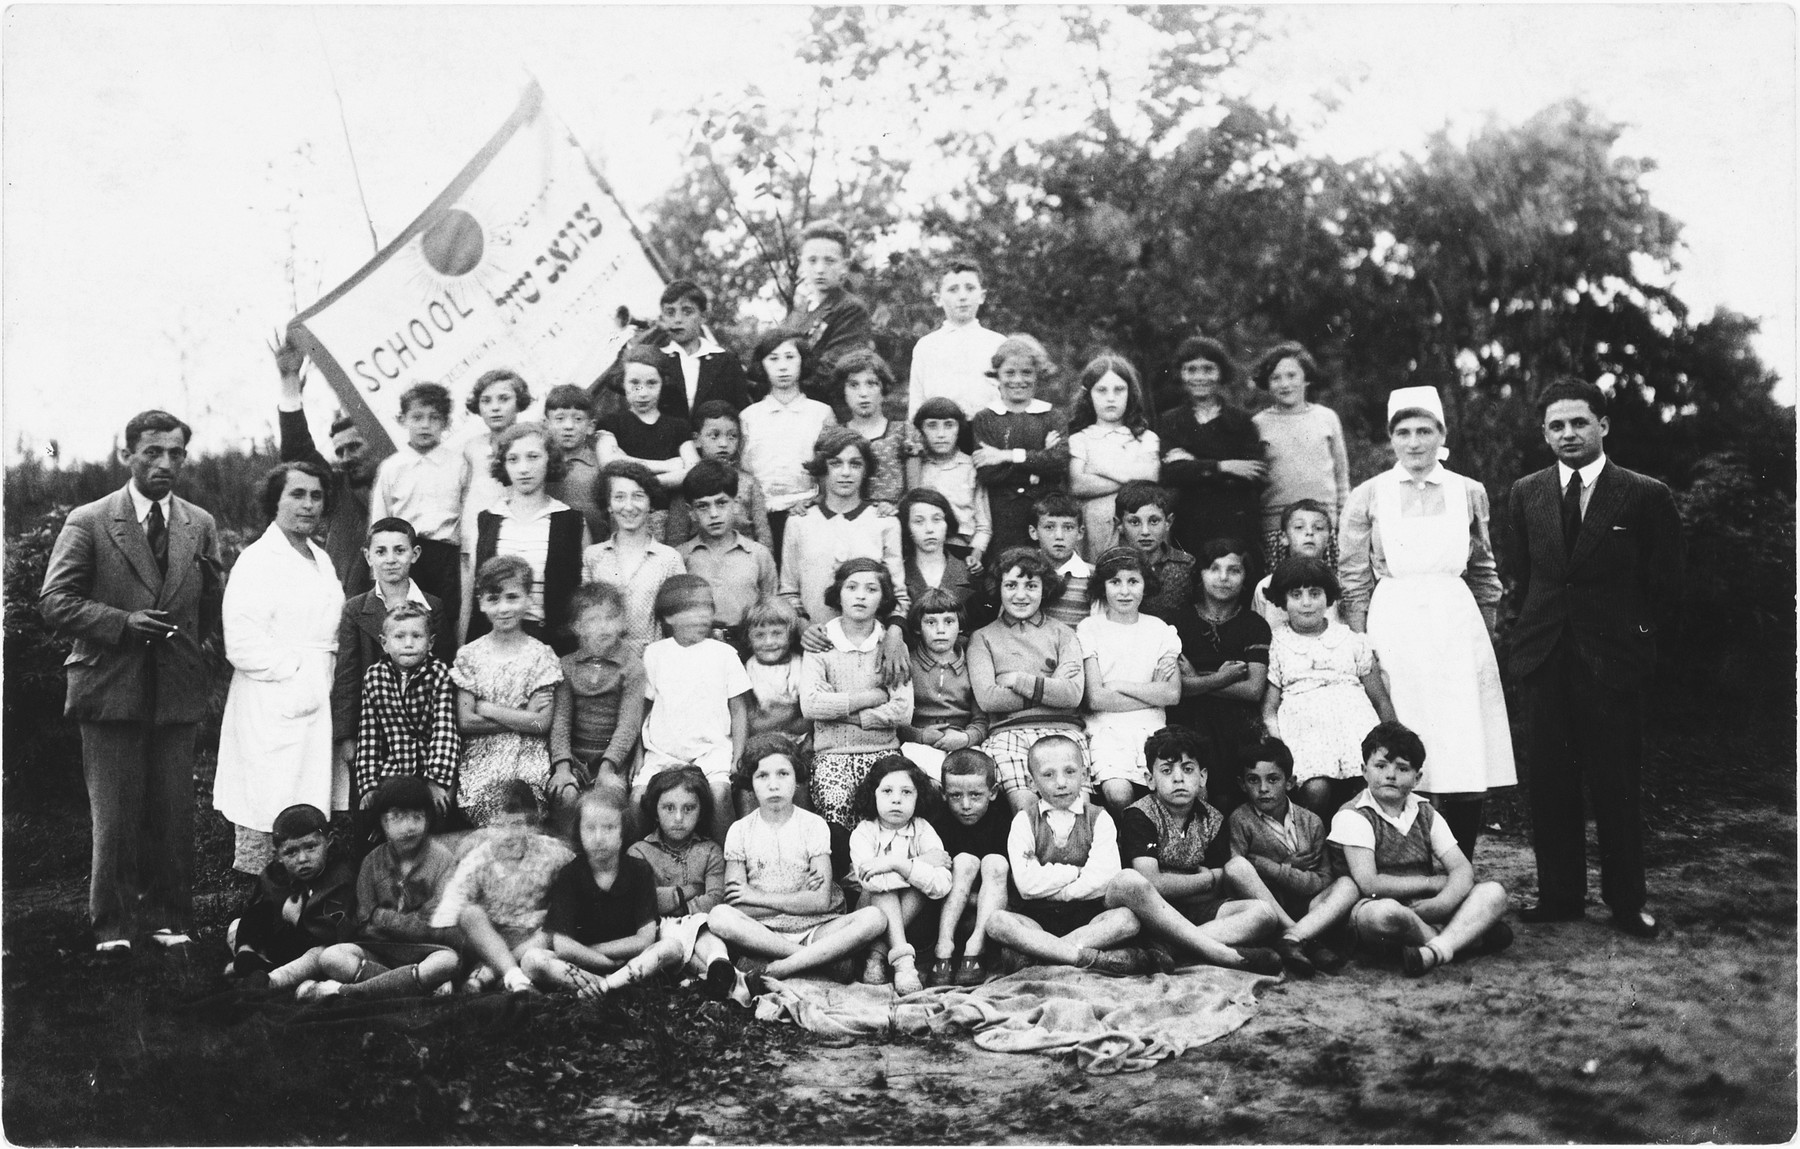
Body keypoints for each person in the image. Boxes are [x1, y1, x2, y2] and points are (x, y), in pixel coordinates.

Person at [1502, 378, 1684, 938]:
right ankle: (1560, 895)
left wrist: (1638, 637)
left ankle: (1627, 902)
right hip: (1546, 655)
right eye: (1556, 425)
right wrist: (1527, 636)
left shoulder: (1644, 493)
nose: (1568, 434)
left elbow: (1668, 583)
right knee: (1550, 781)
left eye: (1579, 422)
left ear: (1602, 425)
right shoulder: (1526, 492)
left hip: (1612, 660)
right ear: (1544, 434)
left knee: (1616, 781)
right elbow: (1522, 573)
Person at [39, 408, 223, 954]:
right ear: (127, 455)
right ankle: (113, 928)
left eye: (176, 454)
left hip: (176, 688)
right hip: (109, 684)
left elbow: (210, 605)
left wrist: (195, 655)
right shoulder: (91, 519)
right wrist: (121, 624)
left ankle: (171, 919)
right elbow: (55, 600)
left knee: (173, 811)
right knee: (115, 815)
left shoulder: (200, 523)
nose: (165, 464)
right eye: (152, 452)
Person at [1339, 387, 1514, 860]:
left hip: (1457, 628)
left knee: (1462, 749)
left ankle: (1459, 865)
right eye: (1403, 432)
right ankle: (1404, 862)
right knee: (1404, 738)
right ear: (1390, 438)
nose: (1414, 443)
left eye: (1424, 431)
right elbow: (1353, 578)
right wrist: (1361, 644)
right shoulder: (1368, 494)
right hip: (1394, 625)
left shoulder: (1468, 490)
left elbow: (1483, 571)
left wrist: (1486, 636)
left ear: (1442, 435)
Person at [214, 460, 347, 876]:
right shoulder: (258, 560)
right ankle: (264, 901)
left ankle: (311, 903)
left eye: (316, 496)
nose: (308, 505)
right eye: (297, 494)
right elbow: (241, 640)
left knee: (312, 794)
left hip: (318, 689)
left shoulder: (320, 558)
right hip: (275, 695)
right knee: (272, 796)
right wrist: (296, 671)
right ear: (275, 501)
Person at [1326, 722, 1514, 975]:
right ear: (1364, 771)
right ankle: (1462, 938)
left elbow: (1460, 867)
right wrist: (1429, 883)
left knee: (1494, 893)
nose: (1390, 775)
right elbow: (1369, 883)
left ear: (1418, 777)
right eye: (1380, 766)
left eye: (1402, 768)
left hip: (1426, 906)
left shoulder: (1424, 811)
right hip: (1373, 905)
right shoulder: (1354, 814)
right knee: (1387, 915)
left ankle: (1433, 950)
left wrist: (1443, 902)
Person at [706, 735, 889, 982]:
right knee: (719, 916)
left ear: (797, 779)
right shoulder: (740, 831)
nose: (774, 784)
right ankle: (813, 959)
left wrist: (757, 895)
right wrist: (796, 899)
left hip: (817, 927)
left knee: (874, 918)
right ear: (750, 782)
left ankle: (782, 967)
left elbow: (820, 902)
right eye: (763, 776)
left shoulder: (813, 825)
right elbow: (738, 904)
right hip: (764, 932)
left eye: (783, 774)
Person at [1103, 726, 1285, 973]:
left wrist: (1194, 882)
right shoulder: (1140, 815)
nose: (1178, 778)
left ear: (1203, 777)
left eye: (1188, 769)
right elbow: (1151, 883)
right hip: (1150, 912)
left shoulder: (1213, 819)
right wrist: (1205, 879)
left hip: (1195, 912)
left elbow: (1219, 885)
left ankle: (1170, 948)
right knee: (1134, 883)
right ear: (1150, 780)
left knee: (1263, 914)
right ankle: (1221, 952)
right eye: (1166, 771)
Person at [279, 777, 463, 1002]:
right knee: (332, 957)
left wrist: (383, 918)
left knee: (448, 961)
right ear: (382, 823)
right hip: (380, 951)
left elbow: (436, 922)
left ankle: (340, 992)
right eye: (397, 818)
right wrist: (390, 922)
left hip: (426, 950)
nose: (408, 826)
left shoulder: (442, 859)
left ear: (428, 819)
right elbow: (364, 921)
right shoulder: (372, 862)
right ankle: (416, 986)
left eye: (417, 816)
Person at [982, 735, 1154, 975]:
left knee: (1127, 919)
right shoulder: (1024, 821)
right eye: (1048, 775)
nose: (1061, 782)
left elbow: (1104, 879)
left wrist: (1058, 888)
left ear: (1084, 776)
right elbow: (1026, 885)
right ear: (1032, 782)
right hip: (1038, 920)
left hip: (1088, 917)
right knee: (997, 922)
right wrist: (1077, 872)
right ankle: (1086, 958)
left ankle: (1043, 955)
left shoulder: (1099, 818)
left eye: (1070, 772)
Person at [1261, 555, 1397, 826]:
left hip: (1354, 729)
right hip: (1305, 734)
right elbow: (1269, 708)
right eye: (1296, 595)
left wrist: (1394, 742)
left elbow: (1380, 699)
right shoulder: (1277, 644)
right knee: (1316, 790)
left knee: (1363, 789)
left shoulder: (1351, 640)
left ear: (1329, 597)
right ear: (1282, 601)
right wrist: (1278, 748)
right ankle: (1317, 854)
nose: (1307, 602)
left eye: (1315, 593)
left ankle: (1354, 853)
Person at [331, 518, 456, 795]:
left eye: (399, 550)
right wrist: (347, 736)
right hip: (374, 734)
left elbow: (446, 667)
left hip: (425, 734)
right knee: (373, 809)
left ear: (415, 554)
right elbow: (347, 676)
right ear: (367, 556)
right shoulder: (356, 609)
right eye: (381, 551)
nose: (390, 560)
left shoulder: (432, 606)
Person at [520, 782, 673, 996]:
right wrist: (605, 963)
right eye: (590, 828)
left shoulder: (639, 870)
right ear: (579, 832)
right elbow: (563, 945)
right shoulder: (569, 875)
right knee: (533, 960)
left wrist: (599, 950)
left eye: (609, 828)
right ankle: (610, 986)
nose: (599, 838)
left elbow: (645, 939)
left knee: (670, 947)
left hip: (631, 959)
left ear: (623, 832)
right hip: (582, 963)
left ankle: (603, 989)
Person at [967, 547, 1087, 812]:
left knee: (1076, 806)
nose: (1020, 595)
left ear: (1045, 589)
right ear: (998, 589)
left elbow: (1072, 696)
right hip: (1009, 734)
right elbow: (988, 699)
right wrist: (1050, 684)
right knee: (1025, 807)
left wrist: (1017, 679)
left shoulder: (1064, 634)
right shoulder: (982, 638)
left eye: (1031, 585)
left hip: (1063, 729)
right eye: (1011, 585)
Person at [801, 559, 915, 829]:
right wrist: (874, 697)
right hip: (832, 752)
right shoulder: (821, 641)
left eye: (871, 589)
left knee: (886, 810)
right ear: (838, 593)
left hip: (883, 751)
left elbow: (903, 710)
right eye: (851, 587)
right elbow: (811, 705)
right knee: (836, 806)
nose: (861, 595)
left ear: (884, 598)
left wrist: (842, 713)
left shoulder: (891, 644)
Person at [431, 781, 575, 994]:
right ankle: (514, 977)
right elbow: (447, 914)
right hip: (491, 936)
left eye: (517, 824)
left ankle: (493, 974)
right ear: (486, 828)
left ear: (532, 825)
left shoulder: (551, 852)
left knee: (551, 929)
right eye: (498, 825)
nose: (507, 835)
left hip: (533, 936)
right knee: (470, 914)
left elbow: (578, 877)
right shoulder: (478, 859)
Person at [639, 575, 752, 843]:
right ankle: (643, 864)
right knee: (638, 799)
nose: (702, 617)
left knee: (719, 794)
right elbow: (644, 710)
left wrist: (738, 755)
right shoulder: (655, 654)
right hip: (663, 753)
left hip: (711, 751)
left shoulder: (724, 654)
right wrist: (637, 757)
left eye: (707, 608)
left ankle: (729, 862)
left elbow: (739, 710)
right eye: (692, 610)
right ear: (668, 617)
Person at [452, 555, 563, 825]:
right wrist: (522, 715)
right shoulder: (469, 655)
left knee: (522, 819)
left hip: (528, 763)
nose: (503, 608)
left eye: (512, 597)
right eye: (493, 599)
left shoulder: (542, 655)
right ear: (481, 603)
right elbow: (466, 721)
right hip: (481, 764)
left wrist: (488, 708)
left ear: (528, 599)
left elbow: (541, 723)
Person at [1224, 738, 1348, 976]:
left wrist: (1275, 869)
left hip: (1310, 909)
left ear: (1290, 782)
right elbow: (1237, 878)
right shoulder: (1240, 820)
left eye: (1273, 779)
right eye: (1253, 780)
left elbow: (1323, 881)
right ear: (1242, 784)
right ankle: (1302, 939)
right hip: (1269, 907)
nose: (1263, 789)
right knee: (1237, 867)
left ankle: (1297, 935)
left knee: (1347, 884)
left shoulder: (1311, 821)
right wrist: (1290, 868)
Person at [466, 421, 591, 654]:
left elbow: (582, 595)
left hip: (553, 646)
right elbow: (474, 592)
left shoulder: (570, 521)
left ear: (549, 460)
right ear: (503, 465)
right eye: (513, 459)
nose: (523, 469)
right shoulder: (488, 521)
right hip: (495, 644)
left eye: (533, 457)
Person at [1078, 547, 1183, 819]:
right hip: (1106, 729)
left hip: (1153, 728)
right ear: (1103, 587)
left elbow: (1172, 694)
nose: (1125, 591)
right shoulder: (1090, 628)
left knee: (1174, 791)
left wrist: (1118, 684)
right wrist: (1151, 692)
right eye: (1115, 582)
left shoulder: (1159, 629)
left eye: (1133, 581)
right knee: (1118, 793)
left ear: (1146, 585)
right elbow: (1096, 699)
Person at [350, 602, 460, 850]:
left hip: (431, 763)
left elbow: (445, 729)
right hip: (396, 765)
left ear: (430, 642)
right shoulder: (375, 676)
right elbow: (370, 734)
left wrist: (435, 780)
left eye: (416, 636)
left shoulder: (438, 673)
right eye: (399, 636)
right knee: (380, 811)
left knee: (437, 812)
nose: (408, 643)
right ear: (384, 642)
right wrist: (368, 783)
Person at [1173, 537, 1271, 813]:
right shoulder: (1178, 622)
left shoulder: (1254, 625)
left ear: (1245, 576)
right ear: (1200, 574)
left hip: (1237, 723)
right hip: (1188, 718)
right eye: (1214, 569)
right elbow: (1175, 688)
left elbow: (1253, 689)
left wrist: (1198, 679)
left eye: (1234, 570)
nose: (1223, 577)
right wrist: (1222, 678)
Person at [272, 336, 376, 593]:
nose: (345, 458)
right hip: (350, 613)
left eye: (354, 447)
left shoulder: (408, 481)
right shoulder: (340, 488)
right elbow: (298, 451)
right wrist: (289, 381)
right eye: (339, 452)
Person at [778, 427, 908, 628]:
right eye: (836, 464)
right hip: (814, 642)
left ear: (866, 470)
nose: (846, 473)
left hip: (869, 642)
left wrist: (894, 633)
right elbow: (789, 591)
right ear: (823, 468)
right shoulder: (799, 521)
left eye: (855, 464)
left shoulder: (885, 521)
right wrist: (804, 630)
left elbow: (897, 595)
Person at [848, 755, 952, 994]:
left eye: (907, 792)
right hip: (867, 916)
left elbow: (942, 885)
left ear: (919, 797)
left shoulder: (923, 830)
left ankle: (878, 954)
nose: (896, 799)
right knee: (883, 891)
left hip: (916, 923)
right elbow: (872, 882)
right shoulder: (864, 832)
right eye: (887, 791)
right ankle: (904, 963)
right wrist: (916, 864)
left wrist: (895, 864)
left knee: (917, 887)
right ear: (873, 794)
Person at [369, 381, 469, 625]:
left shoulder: (458, 464)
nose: (425, 425)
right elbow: (380, 521)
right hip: (406, 555)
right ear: (403, 419)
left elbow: (467, 515)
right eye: (417, 417)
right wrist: (379, 572)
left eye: (434, 418)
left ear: (446, 422)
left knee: (445, 619)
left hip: (447, 557)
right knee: (407, 619)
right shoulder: (392, 467)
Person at [1156, 336, 1265, 558]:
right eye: (1191, 369)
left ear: (1221, 373)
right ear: (1181, 373)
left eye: (1208, 369)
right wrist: (1223, 466)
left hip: (1234, 528)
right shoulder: (1170, 421)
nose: (1200, 377)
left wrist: (1192, 465)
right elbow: (1169, 473)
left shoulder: (1242, 421)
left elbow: (1253, 474)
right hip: (1186, 528)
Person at [223, 804, 357, 983]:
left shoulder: (339, 877)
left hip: (313, 944)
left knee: (320, 953)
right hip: (280, 940)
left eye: (311, 847)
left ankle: (272, 976)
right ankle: (246, 954)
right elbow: (259, 911)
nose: (302, 859)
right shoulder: (276, 874)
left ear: (329, 841)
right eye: (291, 852)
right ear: (277, 854)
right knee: (241, 922)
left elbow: (337, 930)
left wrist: (298, 920)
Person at [549, 582, 643, 827]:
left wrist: (607, 767)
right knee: (565, 795)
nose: (603, 627)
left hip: (615, 760)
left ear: (622, 622)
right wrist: (562, 767)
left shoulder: (631, 666)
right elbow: (560, 720)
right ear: (576, 627)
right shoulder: (566, 666)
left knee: (612, 797)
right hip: (576, 760)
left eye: (611, 618)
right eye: (592, 620)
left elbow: (628, 724)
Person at [739, 331, 836, 557]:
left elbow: (829, 468)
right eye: (773, 359)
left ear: (803, 361)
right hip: (760, 516)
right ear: (762, 365)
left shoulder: (821, 413)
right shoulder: (749, 416)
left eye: (790, 357)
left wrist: (817, 501)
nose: (782, 367)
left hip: (806, 512)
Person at [1250, 342, 1349, 561]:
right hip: (1277, 530)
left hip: (1324, 527)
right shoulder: (1258, 424)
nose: (1284, 384)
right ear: (1267, 383)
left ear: (1306, 378)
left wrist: (1343, 519)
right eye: (1276, 378)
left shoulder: (1327, 418)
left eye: (1291, 375)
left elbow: (1341, 476)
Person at [971, 334, 1067, 557]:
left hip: (1045, 512)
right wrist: (1040, 458)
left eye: (1026, 372)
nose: (1018, 380)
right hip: (1002, 513)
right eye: (1010, 373)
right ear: (997, 376)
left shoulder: (1052, 416)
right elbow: (987, 472)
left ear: (1037, 375)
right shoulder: (986, 418)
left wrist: (1006, 456)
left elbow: (1059, 464)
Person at [581, 460, 687, 660]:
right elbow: (587, 617)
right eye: (619, 497)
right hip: (605, 662)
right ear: (609, 505)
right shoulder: (593, 556)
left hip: (654, 663)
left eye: (638, 496)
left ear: (650, 503)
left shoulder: (669, 558)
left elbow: (678, 621)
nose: (628, 507)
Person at [923, 748, 1011, 986]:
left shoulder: (1004, 819)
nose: (965, 805)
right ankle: (944, 948)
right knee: (964, 861)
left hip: (990, 912)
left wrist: (978, 899)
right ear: (943, 793)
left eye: (975, 795)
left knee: (996, 862)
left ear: (992, 793)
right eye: (955, 796)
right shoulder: (938, 822)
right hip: (946, 911)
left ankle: (976, 948)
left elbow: (1007, 884)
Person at [675, 460, 780, 648]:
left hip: (748, 645)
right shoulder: (680, 557)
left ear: (736, 504)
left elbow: (770, 608)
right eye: (703, 506)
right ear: (691, 512)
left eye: (721, 503)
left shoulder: (758, 554)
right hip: (698, 646)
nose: (714, 514)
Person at [1066, 353, 1160, 559]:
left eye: (1119, 390)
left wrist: (1100, 468)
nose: (1111, 398)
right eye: (1101, 390)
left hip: (1137, 528)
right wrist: (1131, 477)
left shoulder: (1145, 438)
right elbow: (1078, 484)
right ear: (1088, 395)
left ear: (1130, 393)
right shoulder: (1080, 439)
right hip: (1095, 527)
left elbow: (1150, 478)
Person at [598, 346, 699, 533]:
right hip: (624, 515)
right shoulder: (611, 423)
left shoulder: (678, 426)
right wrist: (668, 466)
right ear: (622, 382)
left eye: (651, 383)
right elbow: (609, 464)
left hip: (670, 520)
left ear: (663, 383)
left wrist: (629, 464)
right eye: (634, 383)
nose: (642, 392)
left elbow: (693, 470)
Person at [898, 588, 988, 782]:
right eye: (931, 622)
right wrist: (921, 736)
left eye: (949, 621)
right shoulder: (908, 664)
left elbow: (981, 720)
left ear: (960, 625)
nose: (940, 630)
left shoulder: (972, 664)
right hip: (918, 744)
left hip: (962, 741)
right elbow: (897, 720)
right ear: (917, 628)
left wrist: (965, 738)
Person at [907, 258, 1008, 420]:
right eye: (953, 289)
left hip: (989, 434)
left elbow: (1010, 398)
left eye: (970, 288)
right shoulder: (926, 346)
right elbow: (917, 403)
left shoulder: (998, 344)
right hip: (941, 436)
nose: (962, 296)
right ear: (937, 299)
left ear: (982, 296)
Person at [665, 402, 775, 551]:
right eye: (714, 436)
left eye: (732, 436)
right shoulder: (687, 481)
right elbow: (676, 540)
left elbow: (763, 535)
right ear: (697, 439)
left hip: (744, 560)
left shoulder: (748, 482)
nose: (724, 444)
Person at [783, 218, 875, 393]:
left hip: (827, 408)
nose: (819, 269)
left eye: (829, 261)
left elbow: (831, 371)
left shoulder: (851, 309)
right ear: (801, 263)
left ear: (844, 266)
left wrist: (778, 387)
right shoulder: (799, 312)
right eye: (812, 260)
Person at [460, 369, 532, 589]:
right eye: (486, 401)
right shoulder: (472, 448)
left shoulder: (530, 441)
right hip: (474, 534)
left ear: (519, 402)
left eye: (504, 399)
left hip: (514, 531)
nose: (495, 407)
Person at [652, 279, 752, 419]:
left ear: (703, 316)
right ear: (662, 317)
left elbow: (742, 411)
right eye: (670, 312)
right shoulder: (656, 359)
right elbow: (613, 380)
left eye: (687, 312)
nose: (677, 319)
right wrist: (654, 332)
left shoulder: (726, 361)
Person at [834, 349, 921, 507]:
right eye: (854, 385)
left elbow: (914, 494)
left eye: (871, 383)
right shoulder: (836, 436)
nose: (863, 393)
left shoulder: (904, 432)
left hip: (894, 520)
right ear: (843, 391)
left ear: (883, 389)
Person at [912, 397, 991, 572]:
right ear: (921, 430)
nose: (941, 434)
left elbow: (984, 526)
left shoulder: (971, 468)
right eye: (932, 425)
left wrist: (975, 554)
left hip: (961, 552)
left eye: (949, 425)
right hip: (920, 553)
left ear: (959, 428)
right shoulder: (915, 468)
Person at [1252, 499, 1341, 631]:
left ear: (1329, 538)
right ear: (1284, 537)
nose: (1309, 532)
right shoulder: (1266, 586)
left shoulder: (1340, 584)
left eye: (1318, 528)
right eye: (1299, 527)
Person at [1114, 482, 1195, 625]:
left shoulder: (1186, 565)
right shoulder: (1111, 567)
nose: (1145, 531)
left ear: (1168, 522)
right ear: (1119, 524)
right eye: (1134, 522)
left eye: (1154, 521)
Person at [742, 596, 812, 750]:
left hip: (800, 742)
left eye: (777, 633)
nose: (769, 642)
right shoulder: (747, 671)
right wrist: (789, 713)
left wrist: (779, 718)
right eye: (760, 635)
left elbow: (807, 719)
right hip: (761, 743)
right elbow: (751, 724)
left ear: (791, 635)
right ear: (748, 638)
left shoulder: (802, 665)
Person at [544, 384, 609, 545]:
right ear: (546, 424)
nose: (568, 426)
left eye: (578, 419)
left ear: (590, 426)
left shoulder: (600, 463)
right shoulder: (540, 464)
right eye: (559, 418)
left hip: (594, 545)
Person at [899, 488, 976, 609]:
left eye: (937, 519)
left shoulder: (970, 574)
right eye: (919, 521)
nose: (929, 529)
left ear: (947, 523)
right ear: (907, 527)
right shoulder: (899, 576)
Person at [1028, 493, 1092, 628]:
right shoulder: (1022, 572)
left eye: (1068, 527)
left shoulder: (1093, 576)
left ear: (1080, 532)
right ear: (1034, 532)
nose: (1059, 536)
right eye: (1049, 527)